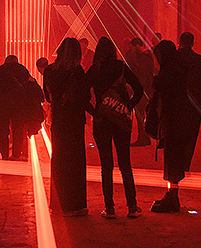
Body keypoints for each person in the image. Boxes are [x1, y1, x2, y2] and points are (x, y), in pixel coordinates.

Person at [87, 37, 144, 219]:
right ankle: (132, 206)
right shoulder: (120, 67)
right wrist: (128, 106)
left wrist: (95, 111)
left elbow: (81, 93)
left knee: (106, 165)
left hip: (102, 120)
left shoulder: (94, 70)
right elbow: (139, 89)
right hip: (120, 120)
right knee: (125, 163)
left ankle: (109, 208)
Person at [151, 39, 201, 213]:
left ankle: (172, 196)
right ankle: (171, 194)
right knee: (175, 159)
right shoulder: (183, 68)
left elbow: (159, 86)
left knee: (172, 160)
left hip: (174, 122)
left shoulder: (170, 72)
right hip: (182, 120)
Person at [43, 38, 90, 216]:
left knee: (59, 160)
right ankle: (75, 205)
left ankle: (57, 203)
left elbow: (47, 97)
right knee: (76, 162)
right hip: (75, 121)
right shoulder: (78, 71)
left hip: (59, 120)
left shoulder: (50, 71)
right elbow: (84, 98)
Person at [0, 55, 32, 160]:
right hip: (19, 104)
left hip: (2, 104)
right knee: (18, 129)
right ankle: (16, 154)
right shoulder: (22, 69)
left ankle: (4, 153)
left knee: (3, 129)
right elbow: (29, 84)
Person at [125, 37, 154, 146]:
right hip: (145, 88)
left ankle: (143, 137)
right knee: (141, 113)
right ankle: (144, 137)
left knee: (139, 113)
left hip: (142, 88)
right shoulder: (147, 57)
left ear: (136, 46)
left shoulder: (142, 58)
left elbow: (140, 72)